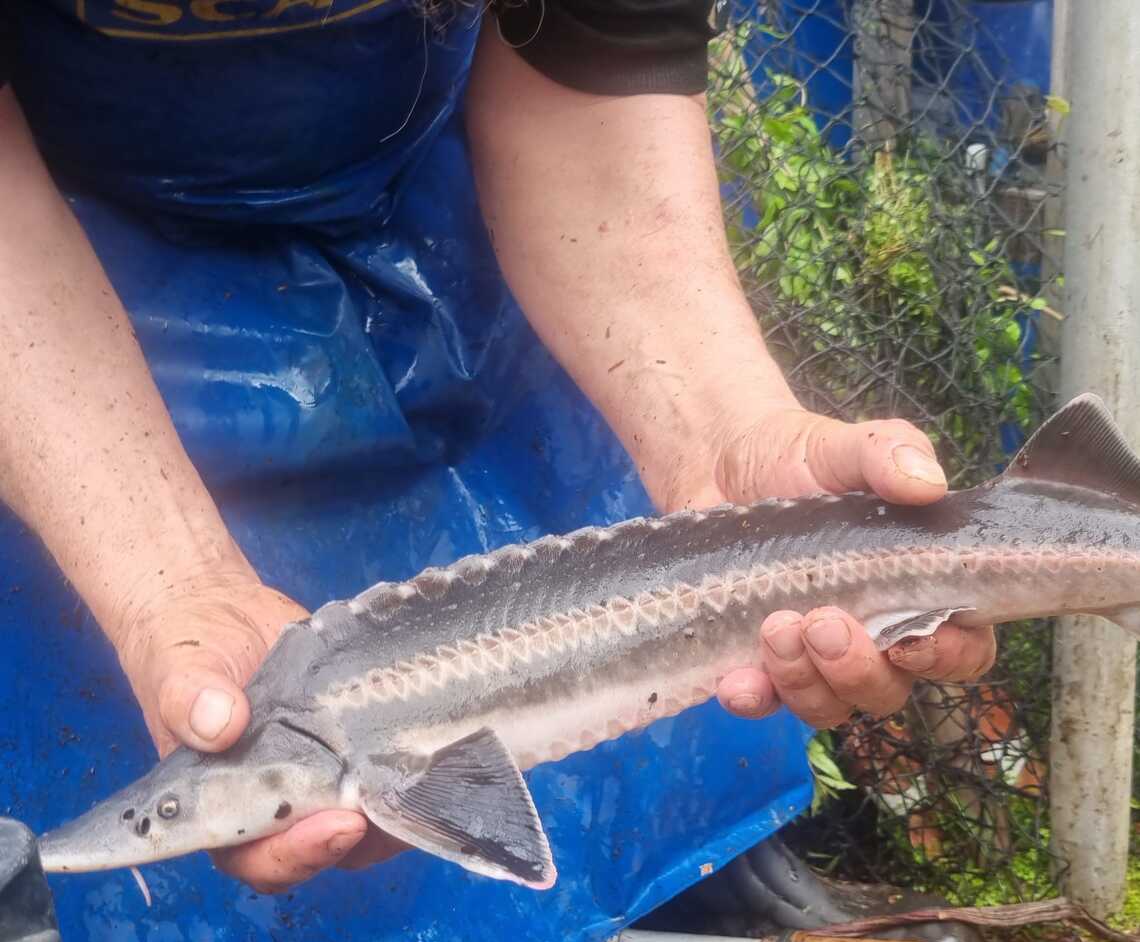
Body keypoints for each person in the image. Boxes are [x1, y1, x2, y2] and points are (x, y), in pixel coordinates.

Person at [0, 0, 994, 894]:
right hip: (56, 308)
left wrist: (719, 438)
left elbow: (587, 67)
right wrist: (167, 580)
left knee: (649, 791)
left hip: (459, 221)